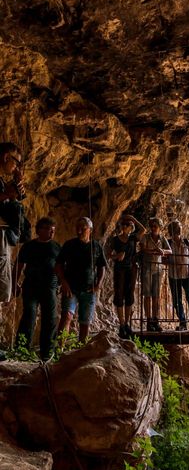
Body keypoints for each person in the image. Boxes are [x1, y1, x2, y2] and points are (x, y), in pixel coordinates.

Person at [13, 217, 61, 359]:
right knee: (29, 316)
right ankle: (22, 350)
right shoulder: (28, 246)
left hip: (50, 287)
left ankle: (47, 354)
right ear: (39, 230)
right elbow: (19, 266)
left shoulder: (57, 247)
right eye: (48, 229)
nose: (51, 232)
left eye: (53, 230)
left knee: (50, 319)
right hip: (31, 286)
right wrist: (15, 283)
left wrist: (60, 283)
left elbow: (62, 267)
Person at [56, 217, 107, 342]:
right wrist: (63, 282)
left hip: (89, 289)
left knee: (85, 321)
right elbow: (58, 265)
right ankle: (59, 349)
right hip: (71, 288)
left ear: (90, 229)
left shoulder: (96, 246)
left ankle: (81, 349)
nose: (79, 231)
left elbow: (102, 266)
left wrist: (98, 284)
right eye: (77, 228)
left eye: (82, 228)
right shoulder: (69, 245)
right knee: (67, 316)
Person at [109, 215, 146, 338]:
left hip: (131, 269)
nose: (125, 227)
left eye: (128, 225)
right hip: (119, 270)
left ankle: (127, 325)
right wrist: (116, 256)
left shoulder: (133, 239)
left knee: (129, 295)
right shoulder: (115, 240)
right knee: (119, 295)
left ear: (131, 227)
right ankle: (121, 324)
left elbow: (143, 230)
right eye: (124, 225)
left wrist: (133, 218)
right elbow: (108, 254)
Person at [0, 142, 26, 304]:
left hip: (3, 235)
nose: (16, 167)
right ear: (5, 157)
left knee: (4, 288)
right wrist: (6, 195)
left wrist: (13, 193)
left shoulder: (2, 181)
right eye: (16, 162)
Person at [166, 220, 189, 332]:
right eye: (176, 227)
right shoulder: (168, 243)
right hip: (174, 275)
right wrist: (169, 261)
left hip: (187, 273)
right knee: (177, 299)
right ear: (172, 230)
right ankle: (183, 323)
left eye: (179, 227)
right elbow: (163, 258)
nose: (179, 229)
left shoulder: (186, 242)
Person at [139, 218, 171, 332]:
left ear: (159, 227)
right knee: (147, 295)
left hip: (158, 269)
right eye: (151, 226)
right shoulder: (146, 237)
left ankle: (155, 320)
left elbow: (170, 251)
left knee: (156, 296)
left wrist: (162, 250)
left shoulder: (162, 238)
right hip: (147, 267)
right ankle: (148, 321)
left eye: (155, 226)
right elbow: (142, 249)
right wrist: (154, 251)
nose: (153, 228)